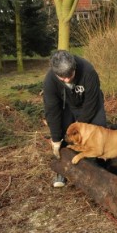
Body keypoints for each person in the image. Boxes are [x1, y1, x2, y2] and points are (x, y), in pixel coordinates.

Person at [43, 50, 106, 187]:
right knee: (66, 136)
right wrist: (55, 139)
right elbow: (52, 111)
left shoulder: (88, 71)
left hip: (90, 104)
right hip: (67, 106)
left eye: (69, 75)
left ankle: (97, 167)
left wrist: (79, 126)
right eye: (62, 77)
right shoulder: (49, 81)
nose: (67, 80)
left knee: (98, 133)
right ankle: (63, 170)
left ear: (74, 67)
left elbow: (91, 103)